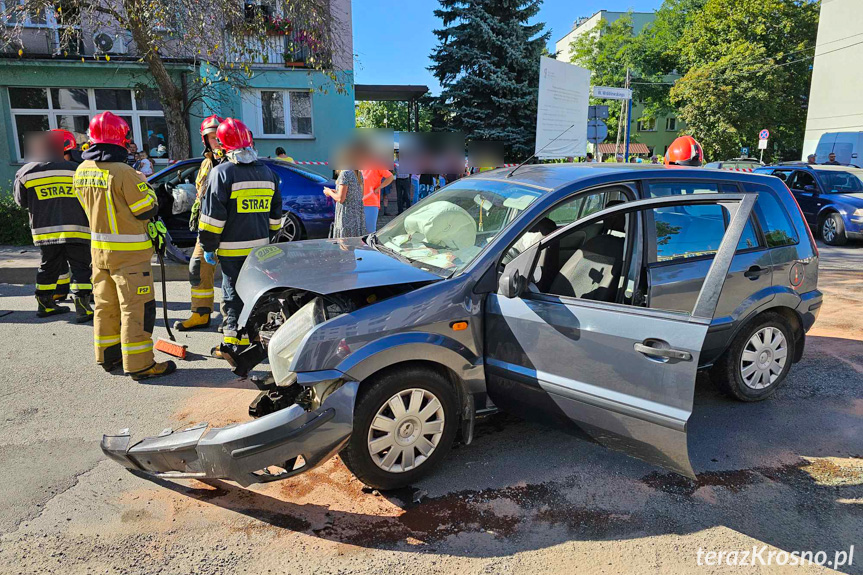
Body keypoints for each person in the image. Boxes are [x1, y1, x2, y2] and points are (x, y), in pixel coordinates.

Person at [74, 112, 176, 380]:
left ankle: (108, 356)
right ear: (122, 140)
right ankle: (141, 364)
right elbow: (145, 210)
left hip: (99, 252)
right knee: (136, 307)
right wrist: (152, 192)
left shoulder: (82, 170)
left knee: (105, 305)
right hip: (130, 255)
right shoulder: (124, 173)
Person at [198, 118, 282, 359]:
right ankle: (252, 336)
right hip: (260, 250)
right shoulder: (268, 173)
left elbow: (212, 219)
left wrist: (208, 246)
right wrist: (269, 236)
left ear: (224, 147)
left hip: (231, 249)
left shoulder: (221, 173)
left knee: (232, 294)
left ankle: (232, 344)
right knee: (253, 293)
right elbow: (276, 215)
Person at [14, 130, 93, 322]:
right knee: (81, 267)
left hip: (45, 230)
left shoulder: (25, 172)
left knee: (48, 267)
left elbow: (20, 202)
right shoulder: (77, 170)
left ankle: (45, 304)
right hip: (77, 228)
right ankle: (82, 307)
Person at [174, 115, 224, 332]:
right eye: (212, 138)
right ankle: (200, 314)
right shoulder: (205, 163)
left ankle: (234, 319)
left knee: (234, 277)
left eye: (219, 137)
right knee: (197, 268)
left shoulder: (234, 162)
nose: (216, 142)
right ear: (205, 140)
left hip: (229, 230)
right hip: (206, 228)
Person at [324, 168, 365, 238]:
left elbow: (340, 199)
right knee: (355, 243)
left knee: (344, 244)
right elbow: (356, 193)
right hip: (357, 216)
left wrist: (329, 192)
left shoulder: (345, 173)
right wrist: (337, 192)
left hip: (346, 215)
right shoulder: (358, 173)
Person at [361, 165, 393, 234]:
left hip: (371, 203)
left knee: (370, 231)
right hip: (357, 203)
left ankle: (369, 244)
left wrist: (379, 188)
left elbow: (390, 177)